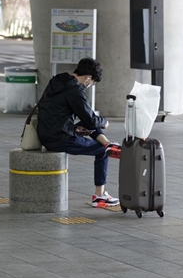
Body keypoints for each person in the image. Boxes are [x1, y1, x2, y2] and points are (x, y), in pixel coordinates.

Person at [37, 58, 122, 208]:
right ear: (88, 78)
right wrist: (105, 122)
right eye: (93, 82)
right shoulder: (75, 90)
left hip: (47, 131)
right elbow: (91, 120)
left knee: (86, 123)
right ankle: (100, 196)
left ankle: (108, 144)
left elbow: (55, 111)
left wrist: (74, 128)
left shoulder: (58, 80)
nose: (91, 85)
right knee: (102, 151)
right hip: (59, 138)